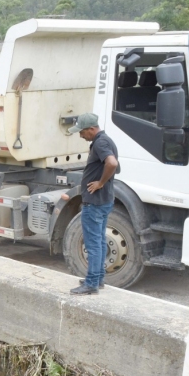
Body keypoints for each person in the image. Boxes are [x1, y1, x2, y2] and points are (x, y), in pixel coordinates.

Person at [65, 113, 118, 295]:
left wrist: (100, 183)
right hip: (104, 201)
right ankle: (98, 279)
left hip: (95, 202)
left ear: (91, 129)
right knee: (100, 242)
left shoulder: (100, 143)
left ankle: (91, 284)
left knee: (93, 244)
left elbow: (112, 163)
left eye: (82, 132)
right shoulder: (106, 141)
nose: (80, 135)